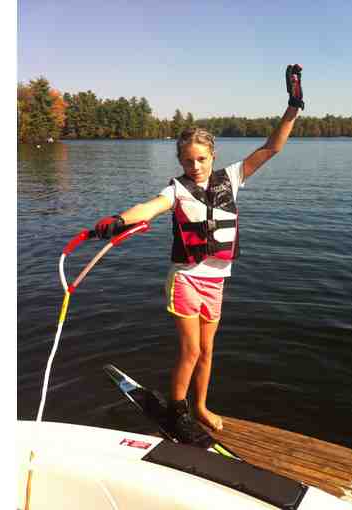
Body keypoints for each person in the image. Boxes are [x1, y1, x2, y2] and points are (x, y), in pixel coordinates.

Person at [94, 65, 304, 442]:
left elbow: (272, 147)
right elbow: (150, 207)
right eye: (188, 160)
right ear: (181, 161)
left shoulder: (233, 178)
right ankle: (178, 411)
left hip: (216, 281)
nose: (195, 166)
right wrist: (119, 220)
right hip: (186, 279)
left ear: (213, 155)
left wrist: (293, 107)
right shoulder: (176, 190)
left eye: (201, 159)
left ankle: (202, 406)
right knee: (190, 350)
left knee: (208, 351)